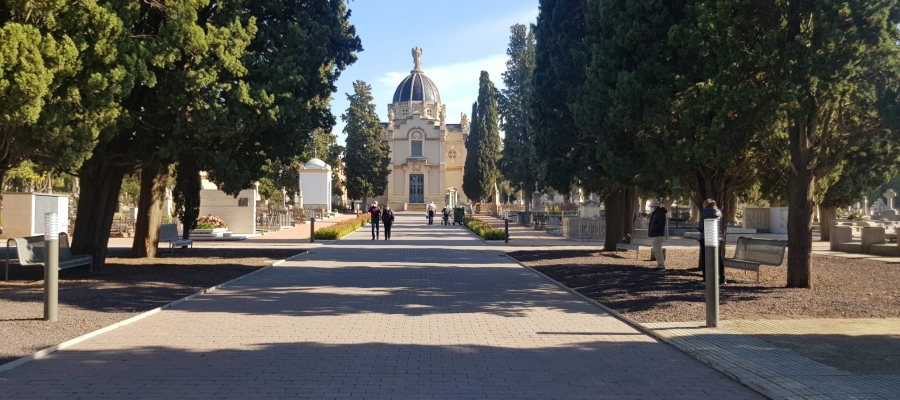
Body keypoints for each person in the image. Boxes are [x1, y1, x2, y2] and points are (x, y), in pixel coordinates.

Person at [698, 198, 726, 285]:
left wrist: (699, 229)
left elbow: (701, 226)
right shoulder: (718, 212)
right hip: (717, 237)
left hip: (706, 237)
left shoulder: (704, 213)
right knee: (718, 258)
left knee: (705, 258)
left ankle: (706, 278)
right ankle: (722, 278)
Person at [647, 200, 668, 273]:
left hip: (657, 235)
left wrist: (653, 229)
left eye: (651, 206)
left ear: (655, 206)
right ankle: (659, 265)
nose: (651, 208)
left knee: (658, 251)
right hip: (655, 234)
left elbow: (661, 224)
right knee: (656, 251)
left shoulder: (659, 213)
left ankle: (661, 267)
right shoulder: (656, 213)